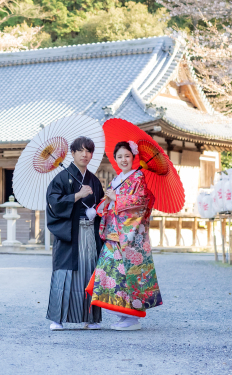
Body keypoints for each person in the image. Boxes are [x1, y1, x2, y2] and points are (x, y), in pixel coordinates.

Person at [90, 140, 162, 331]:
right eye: (119, 156)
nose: (123, 160)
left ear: (133, 157)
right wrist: (106, 202)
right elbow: (111, 205)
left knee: (128, 274)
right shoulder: (118, 178)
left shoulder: (138, 177)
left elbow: (141, 202)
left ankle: (132, 318)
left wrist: (117, 198)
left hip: (130, 236)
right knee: (112, 272)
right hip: (114, 233)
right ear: (115, 159)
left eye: (127, 156)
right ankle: (123, 314)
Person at [45, 136, 104, 331]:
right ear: (72, 153)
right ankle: (57, 319)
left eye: (89, 151)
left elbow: (102, 205)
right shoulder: (61, 178)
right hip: (70, 232)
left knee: (89, 272)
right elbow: (53, 203)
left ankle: (90, 318)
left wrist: (96, 211)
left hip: (89, 232)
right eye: (81, 150)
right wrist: (77, 195)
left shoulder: (94, 181)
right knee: (65, 273)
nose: (85, 154)